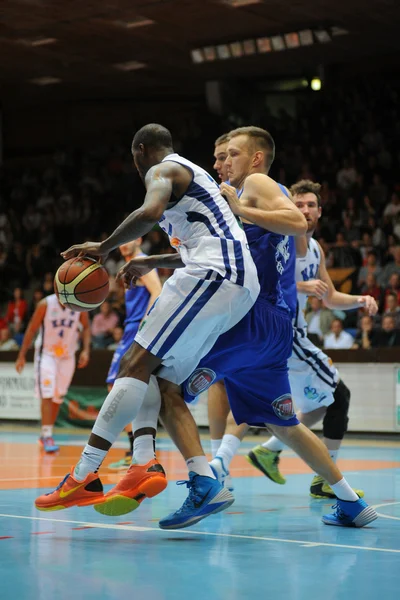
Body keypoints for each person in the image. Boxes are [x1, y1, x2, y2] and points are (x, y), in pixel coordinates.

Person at [127, 130, 376, 529]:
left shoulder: (255, 186)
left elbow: (297, 220)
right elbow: (211, 254)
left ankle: (201, 481)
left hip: (248, 316)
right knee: (284, 424)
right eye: (218, 156)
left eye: (230, 155)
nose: (220, 163)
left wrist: (242, 209)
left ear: (257, 159)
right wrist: (153, 261)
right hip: (270, 328)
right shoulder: (233, 201)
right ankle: (350, 501)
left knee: (160, 382)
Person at [35, 123, 260, 524]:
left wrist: (101, 248)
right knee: (160, 383)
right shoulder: (194, 177)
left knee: (133, 364)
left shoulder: (163, 170)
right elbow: (203, 242)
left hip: (215, 274)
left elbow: (149, 212)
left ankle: (84, 475)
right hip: (233, 281)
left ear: (140, 151)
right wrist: (151, 261)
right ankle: (197, 479)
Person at [212, 179, 377, 502]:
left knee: (296, 405)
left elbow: (328, 297)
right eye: (298, 204)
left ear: (320, 210)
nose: (304, 210)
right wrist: (301, 288)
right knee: (338, 396)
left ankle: (235, 459)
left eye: (310, 205)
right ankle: (324, 479)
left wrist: (360, 299)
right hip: (284, 331)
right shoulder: (286, 235)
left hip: (279, 334)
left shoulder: (315, 248)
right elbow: (271, 276)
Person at [107, 240, 162, 471]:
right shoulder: (133, 264)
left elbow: (158, 290)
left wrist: (144, 322)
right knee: (131, 389)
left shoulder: (141, 263)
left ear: (139, 239)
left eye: (127, 239)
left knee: (116, 386)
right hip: (132, 329)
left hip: (136, 330)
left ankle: (135, 450)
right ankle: (139, 450)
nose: (122, 245)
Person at [15, 293, 91, 452]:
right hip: (47, 355)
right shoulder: (45, 304)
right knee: (47, 394)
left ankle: (46, 435)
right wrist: (21, 355)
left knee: (58, 397)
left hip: (67, 356)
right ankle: (47, 434)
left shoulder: (79, 305)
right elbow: (32, 328)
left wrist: (86, 350)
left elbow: (86, 327)